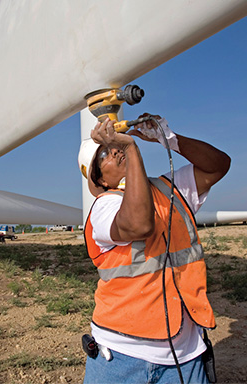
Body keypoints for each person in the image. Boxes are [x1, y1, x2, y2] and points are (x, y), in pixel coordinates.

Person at [78, 114, 230, 384]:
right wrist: (131, 148)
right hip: (122, 356)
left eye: (115, 146)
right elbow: (139, 225)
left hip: (186, 354)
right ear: (101, 181)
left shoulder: (169, 189)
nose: (115, 150)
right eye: (105, 155)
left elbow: (218, 166)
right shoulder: (104, 207)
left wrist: (168, 139)